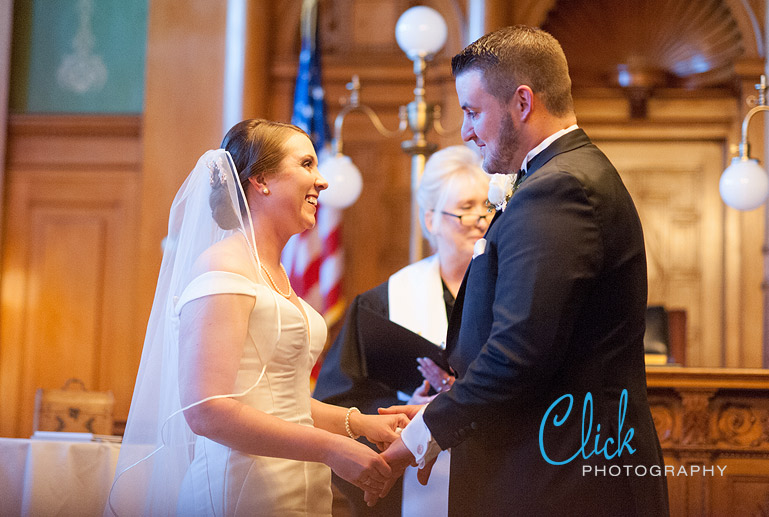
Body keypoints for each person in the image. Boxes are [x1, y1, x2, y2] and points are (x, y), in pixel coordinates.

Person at [372, 26, 670, 516]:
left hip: (562, 478)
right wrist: (441, 408)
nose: (466, 131)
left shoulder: (561, 189)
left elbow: (518, 354)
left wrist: (424, 436)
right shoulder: (556, 177)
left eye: (472, 112)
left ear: (523, 102)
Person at [105, 119, 409, 516]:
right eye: (306, 164)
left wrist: (359, 423)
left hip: (296, 483)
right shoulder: (223, 268)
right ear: (261, 179)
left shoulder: (276, 271)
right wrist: (332, 448)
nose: (322, 181)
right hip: (241, 488)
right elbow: (206, 410)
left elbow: (277, 400)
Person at [313, 145, 491, 516]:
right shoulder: (385, 304)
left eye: (488, 207)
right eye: (466, 208)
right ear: (430, 221)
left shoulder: (514, 298)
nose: (480, 219)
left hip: (495, 472)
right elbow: (338, 400)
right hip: (408, 488)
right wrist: (401, 415)